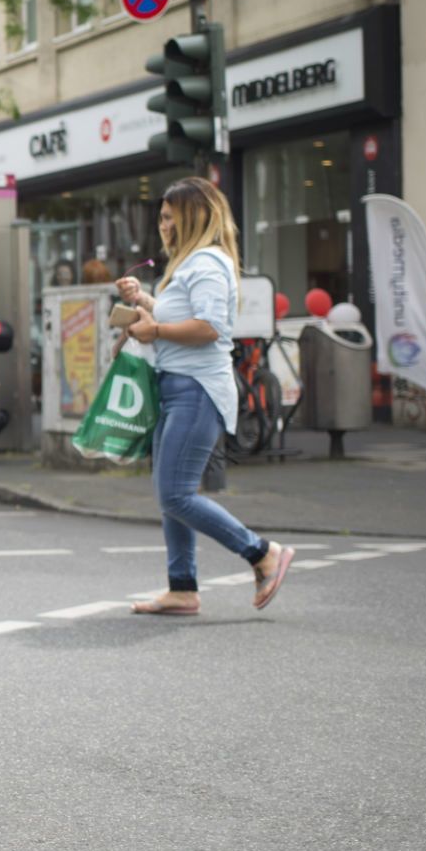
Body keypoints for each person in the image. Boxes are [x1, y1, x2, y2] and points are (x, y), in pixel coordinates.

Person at [117, 177, 295, 617]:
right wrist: (145, 301)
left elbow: (210, 328)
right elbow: (185, 317)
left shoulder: (208, 264)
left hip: (197, 391)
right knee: (169, 492)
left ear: (193, 217)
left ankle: (262, 553)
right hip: (177, 387)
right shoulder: (188, 264)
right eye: (160, 217)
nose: (163, 226)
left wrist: (154, 330)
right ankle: (182, 589)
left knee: (175, 493)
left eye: (170, 217)